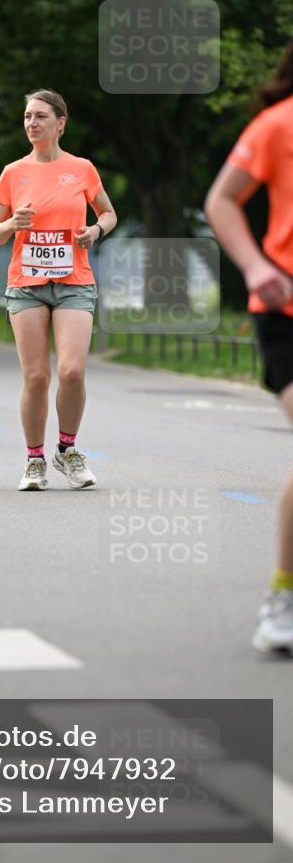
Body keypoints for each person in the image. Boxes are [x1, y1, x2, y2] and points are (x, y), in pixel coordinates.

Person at [205, 41, 293, 655]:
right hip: (285, 303)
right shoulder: (277, 123)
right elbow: (221, 201)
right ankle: (283, 598)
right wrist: (255, 265)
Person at [0, 89, 117, 491]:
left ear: (60, 123)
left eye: (40, 116)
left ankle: (67, 449)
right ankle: (34, 459)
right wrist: (11, 226)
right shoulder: (13, 172)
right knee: (37, 377)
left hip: (74, 282)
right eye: (27, 116)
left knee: (72, 371)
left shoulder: (82, 169)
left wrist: (95, 230)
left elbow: (109, 214)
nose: (32, 123)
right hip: (26, 286)